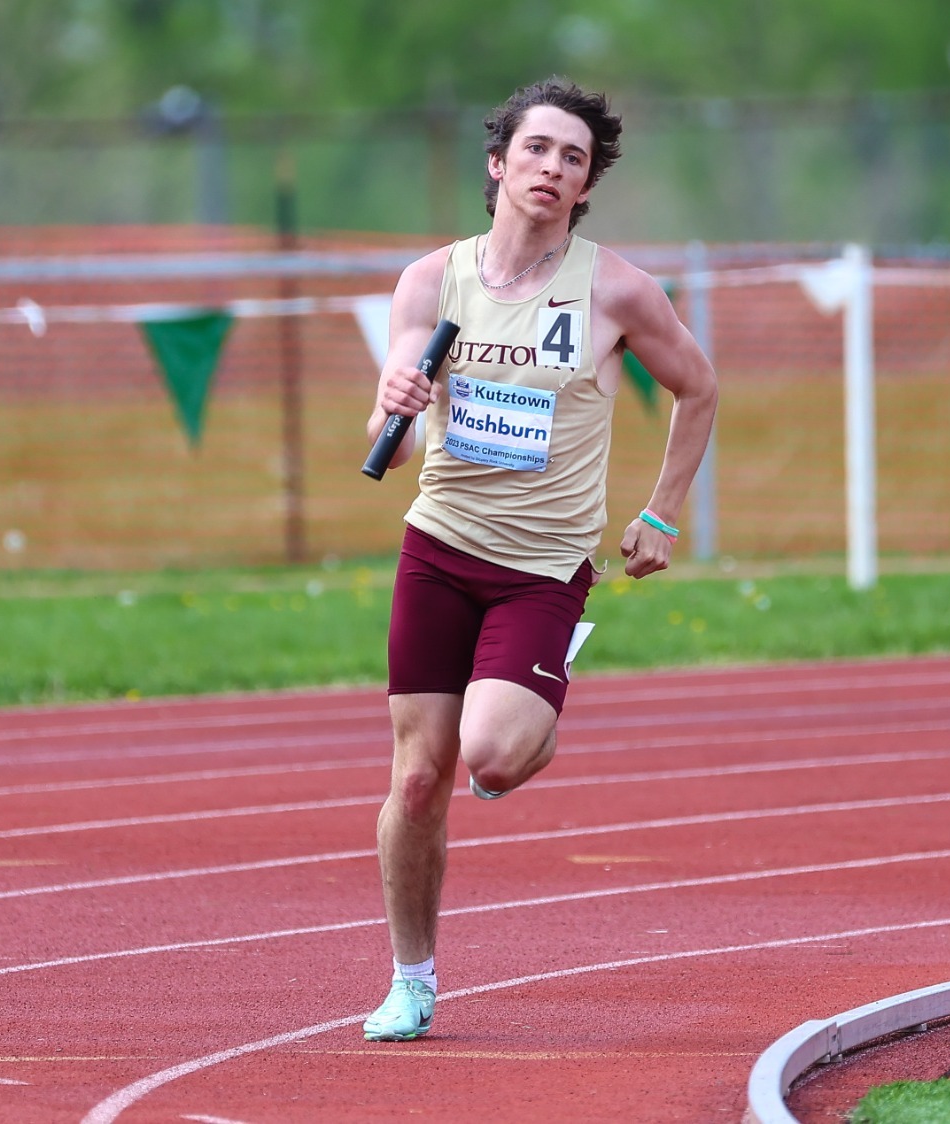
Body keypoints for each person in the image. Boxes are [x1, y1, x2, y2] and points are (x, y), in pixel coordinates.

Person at [360, 77, 718, 1042]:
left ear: (587, 184)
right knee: (419, 780)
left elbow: (699, 389)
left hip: (543, 567)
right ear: (498, 164)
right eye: (537, 149)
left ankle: (535, 706)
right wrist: (394, 399)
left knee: (491, 755)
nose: (552, 168)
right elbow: (389, 432)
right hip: (439, 548)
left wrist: (662, 514)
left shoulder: (616, 289)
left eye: (573, 158)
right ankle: (411, 981)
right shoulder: (432, 281)